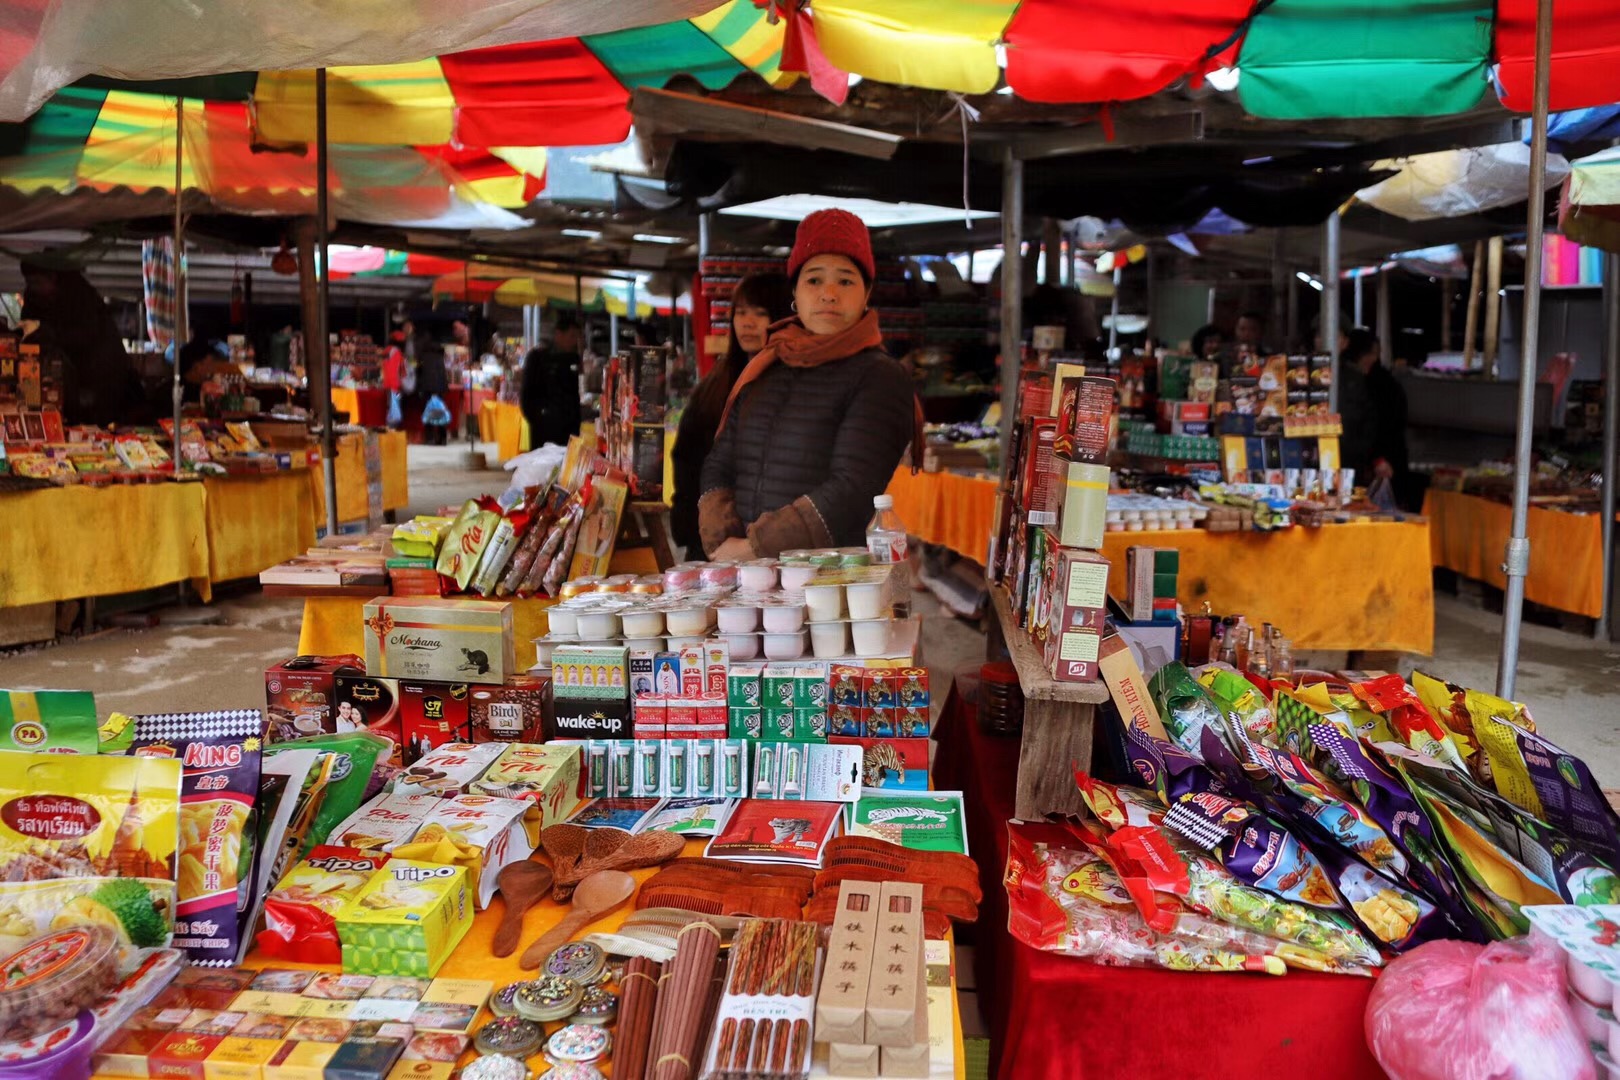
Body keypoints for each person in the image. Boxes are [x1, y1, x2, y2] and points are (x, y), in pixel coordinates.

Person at [699, 208, 921, 560]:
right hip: (748, 573)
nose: (828, 293)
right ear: (796, 292)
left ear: (867, 294)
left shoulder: (881, 376)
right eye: (814, 280)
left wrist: (754, 547)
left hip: (830, 577)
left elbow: (853, 486)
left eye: (845, 281)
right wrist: (720, 537)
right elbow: (720, 461)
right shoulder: (766, 365)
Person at [670, 272, 793, 554]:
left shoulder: (793, 384)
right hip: (708, 537)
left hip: (766, 540)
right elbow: (686, 459)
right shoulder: (715, 383)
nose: (747, 322)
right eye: (741, 312)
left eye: (760, 313)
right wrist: (694, 525)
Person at [21, 262, 146, 425]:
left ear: (53, 279)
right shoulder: (33, 299)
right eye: (29, 283)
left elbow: (87, 335)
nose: (33, 288)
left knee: (97, 422)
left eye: (38, 282)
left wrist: (51, 334)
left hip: (101, 373)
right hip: (62, 378)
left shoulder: (80, 295)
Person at [1338, 327, 1410, 504]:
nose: (1374, 358)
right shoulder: (1353, 380)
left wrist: (1377, 457)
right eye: (1370, 353)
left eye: (1376, 354)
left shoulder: (1380, 385)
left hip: (1379, 462)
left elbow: (1383, 426)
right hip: (1363, 462)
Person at [520, 316, 583, 449]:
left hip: (568, 431)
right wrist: (540, 417)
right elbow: (526, 395)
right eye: (572, 336)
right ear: (559, 334)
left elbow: (574, 395)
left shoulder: (573, 359)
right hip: (544, 430)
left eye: (577, 337)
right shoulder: (537, 357)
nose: (574, 341)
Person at [414, 328, 451, 445]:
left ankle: (430, 437)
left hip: (428, 388)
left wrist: (419, 387)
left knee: (429, 411)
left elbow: (419, 372)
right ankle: (442, 437)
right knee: (440, 411)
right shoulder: (439, 355)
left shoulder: (422, 356)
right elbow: (443, 373)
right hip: (440, 388)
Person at [382, 330, 407, 428]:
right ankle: (393, 428)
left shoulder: (386, 351)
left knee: (390, 406)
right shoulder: (398, 352)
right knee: (395, 407)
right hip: (396, 384)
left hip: (387, 383)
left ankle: (389, 427)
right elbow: (402, 370)